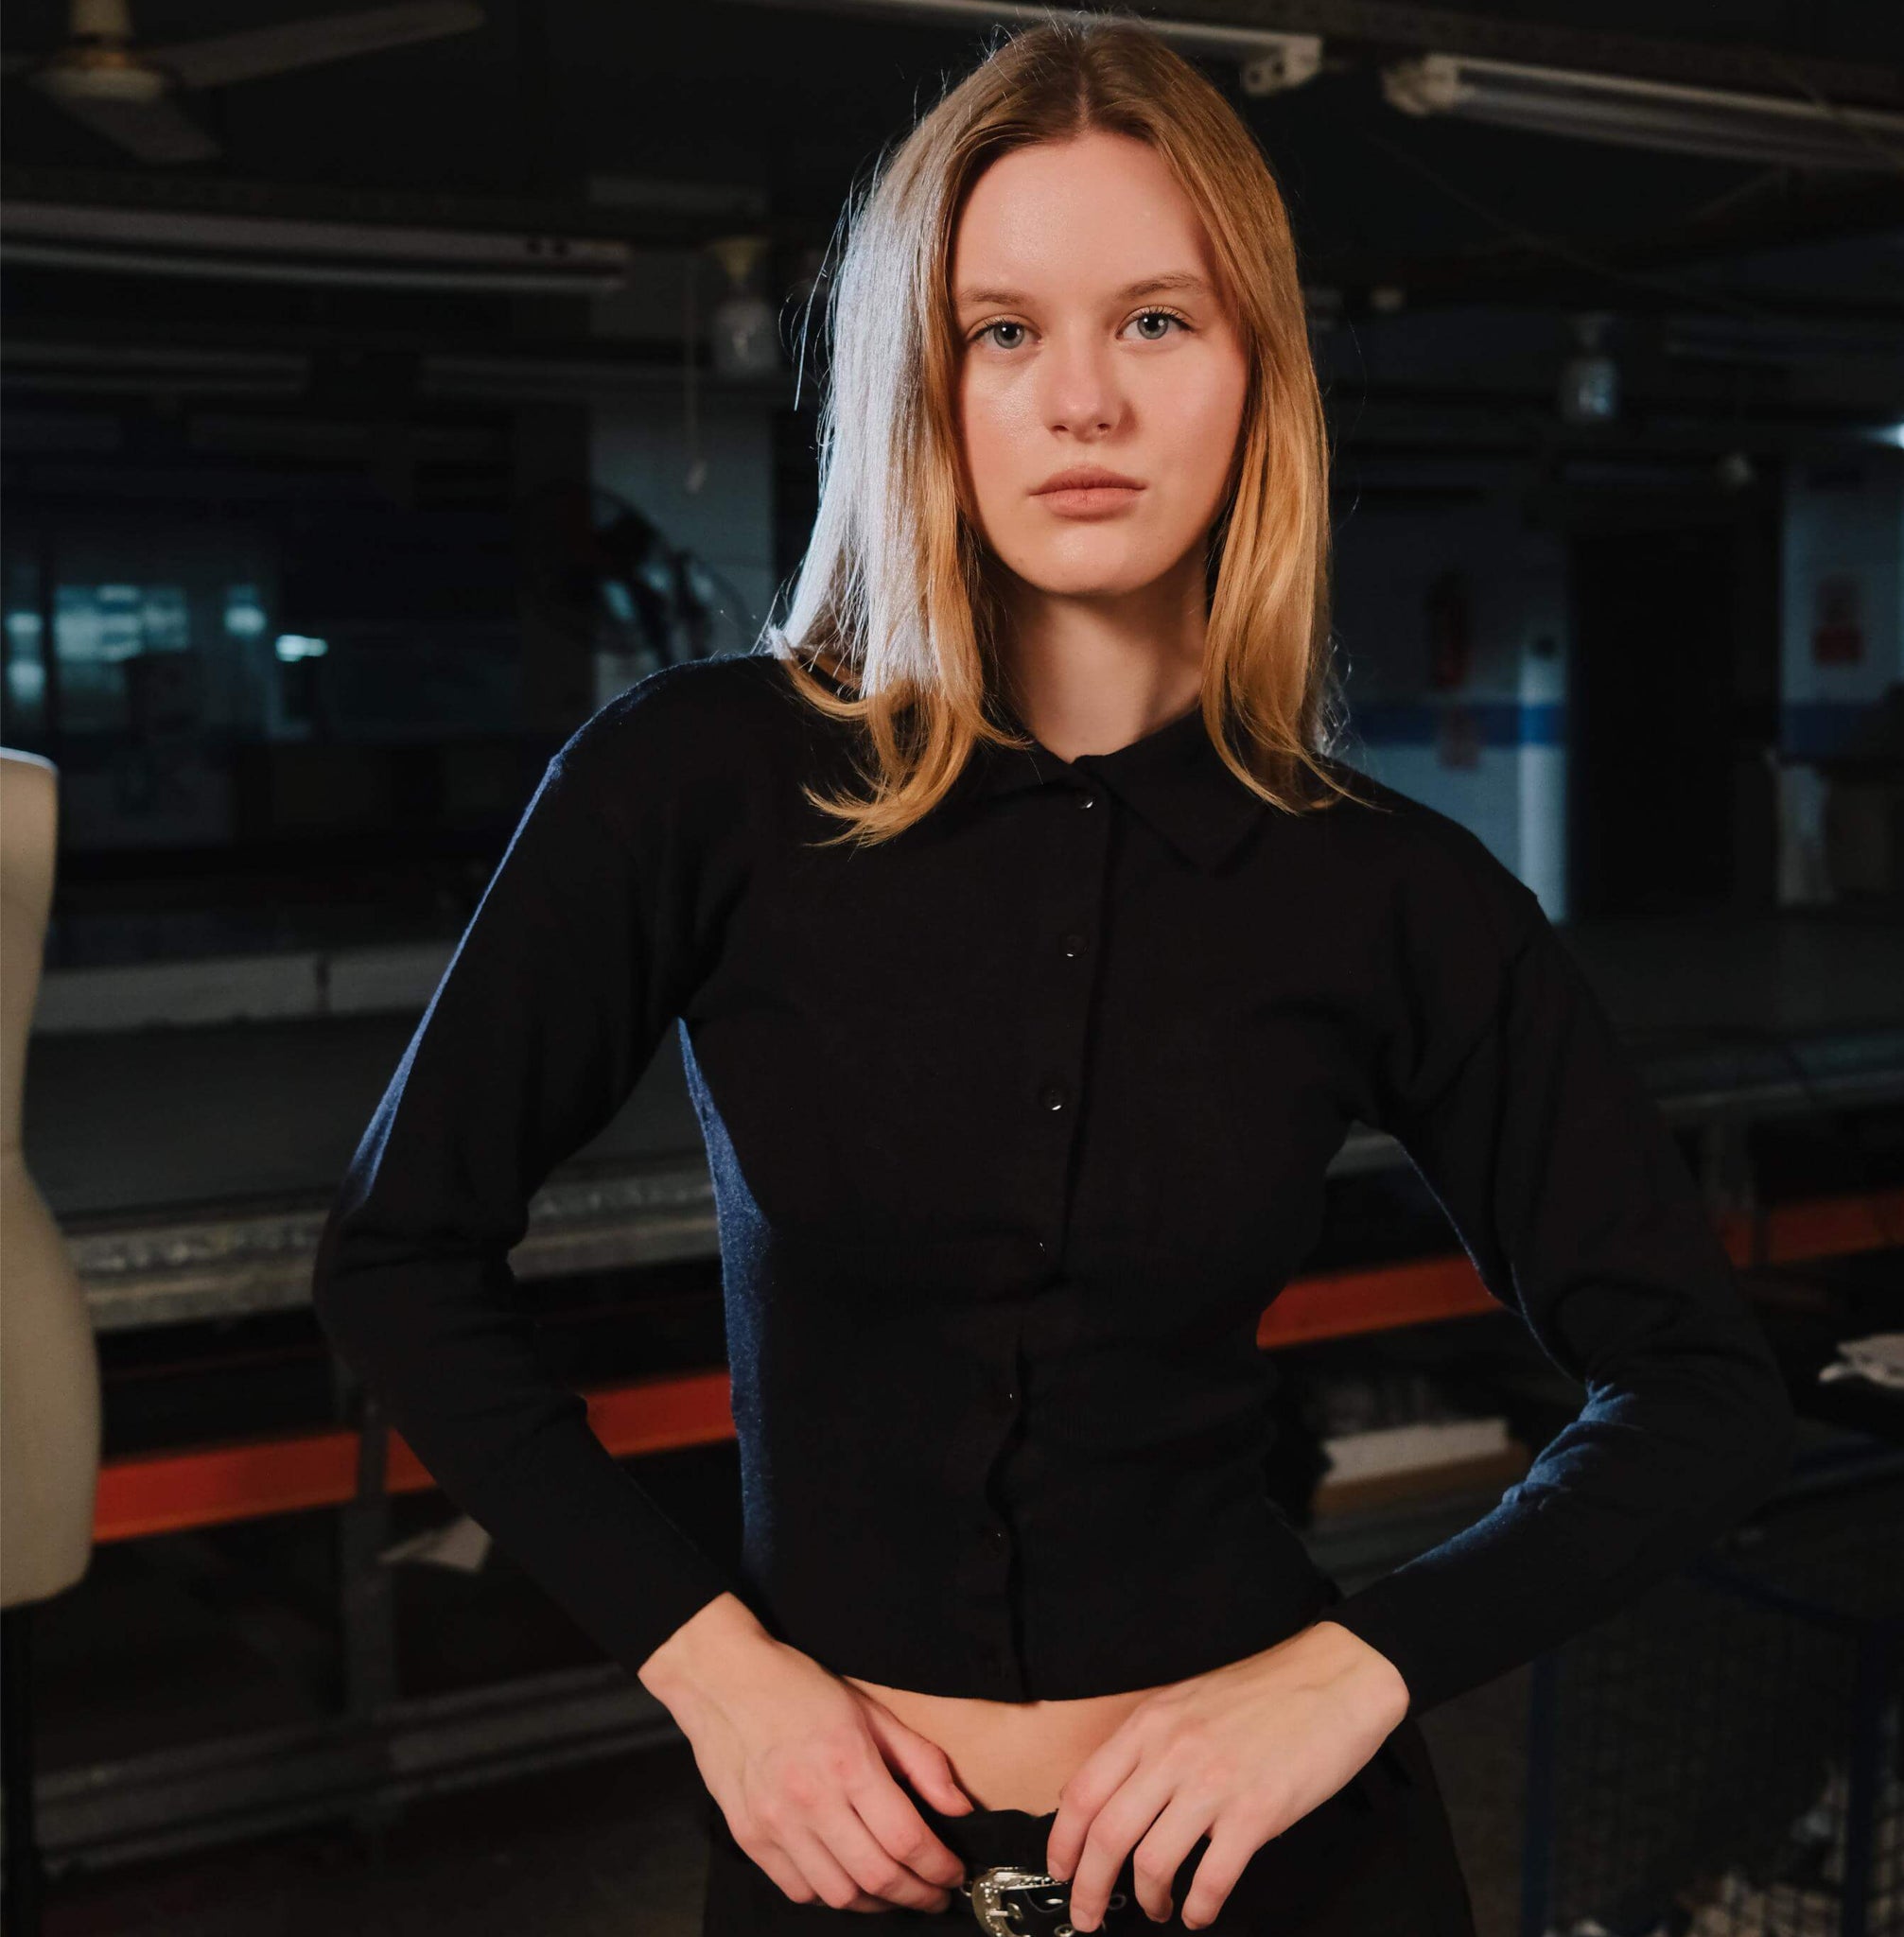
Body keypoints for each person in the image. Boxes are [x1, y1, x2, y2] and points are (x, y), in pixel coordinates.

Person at [310, 19, 1797, 1934]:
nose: (1079, 398)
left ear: (1255, 371)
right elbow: (399, 1255)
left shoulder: (1388, 890)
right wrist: (716, 1671)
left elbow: (1697, 1384)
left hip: (1281, 1876)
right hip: (836, 1868)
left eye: (1155, 322)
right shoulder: (700, 785)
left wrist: (1349, 1676)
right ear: (922, 386)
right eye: (1003, 329)